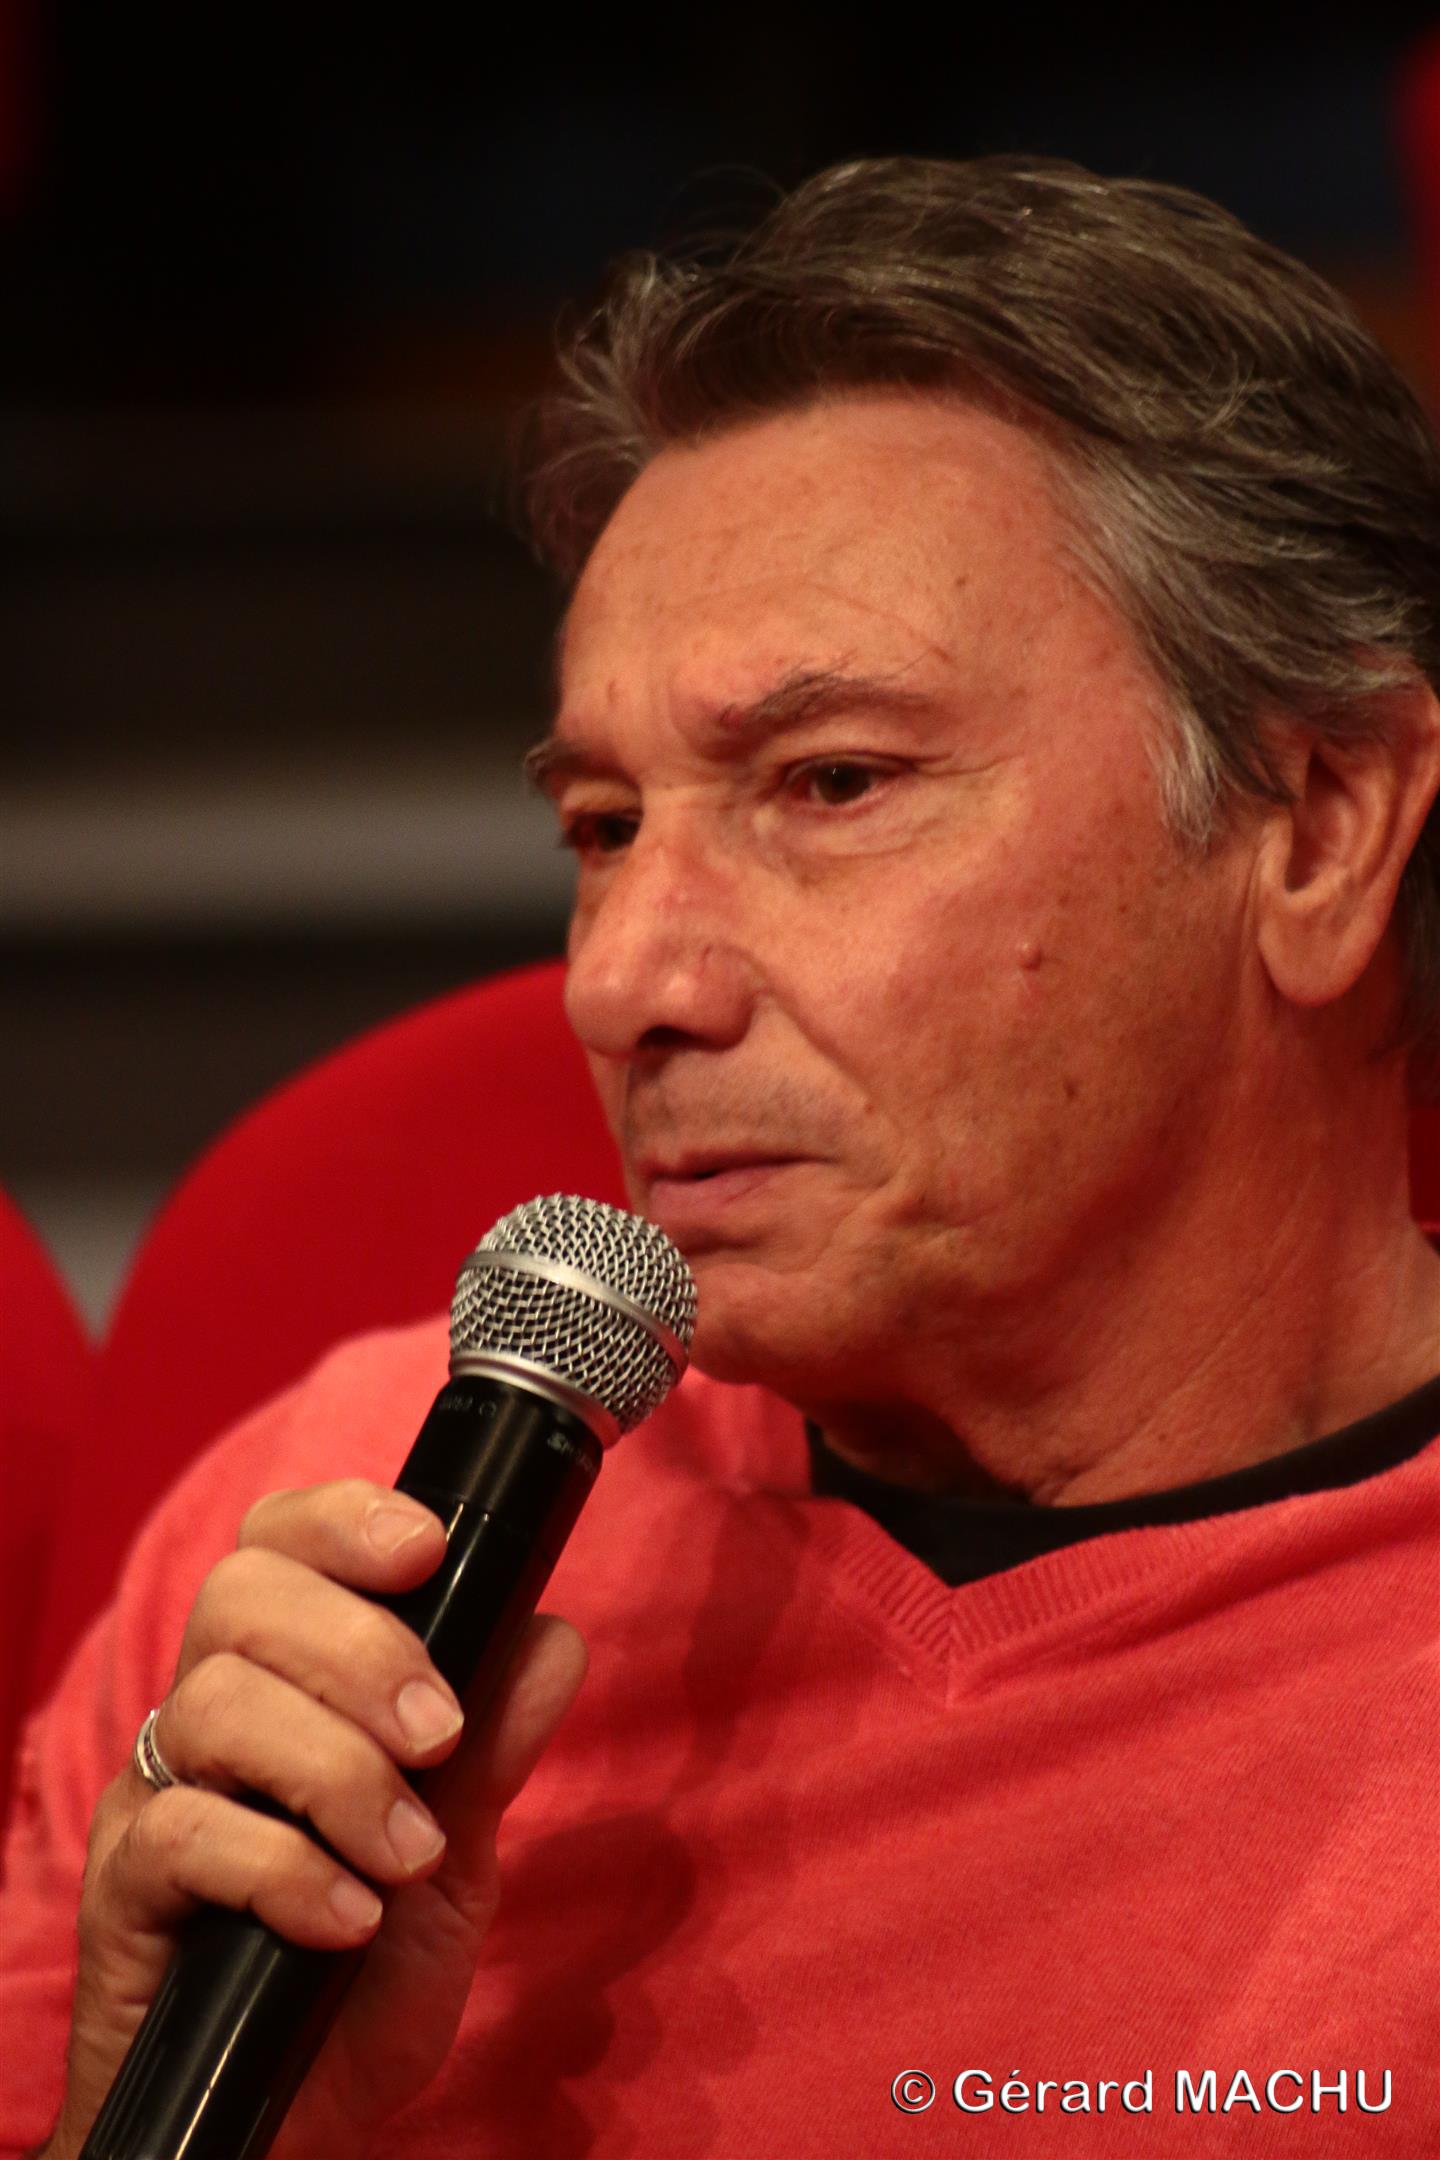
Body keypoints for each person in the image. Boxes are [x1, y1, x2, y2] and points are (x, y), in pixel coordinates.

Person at [3, 155, 1438, 2157]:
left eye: (830, 782)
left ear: (1319, 828)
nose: (621, 983)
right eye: (601, 826)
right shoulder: (329, 1556)